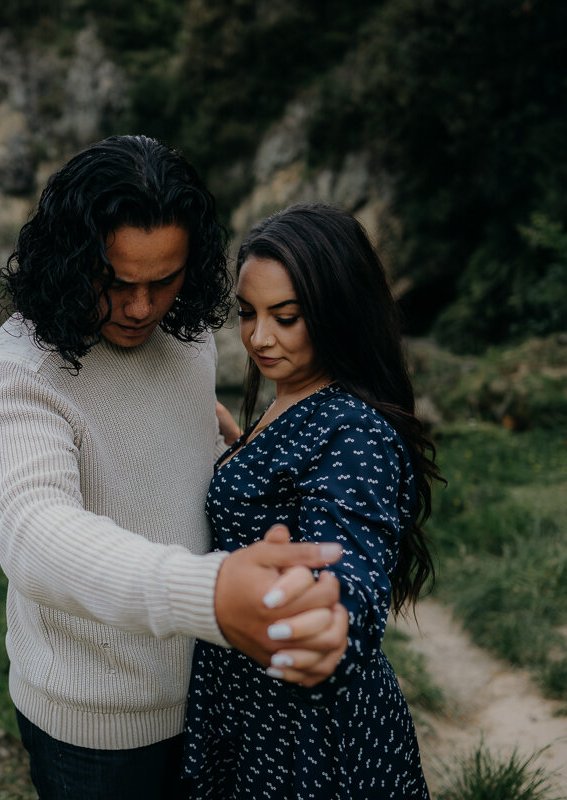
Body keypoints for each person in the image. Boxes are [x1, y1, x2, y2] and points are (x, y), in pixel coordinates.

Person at [0, 136, 351, 799]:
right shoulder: (16, 373)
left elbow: (157, 446)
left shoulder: (187, 334)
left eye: (163, 281)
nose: (141, 308)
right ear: (69, 259)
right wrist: (209, 594)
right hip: (92, 730)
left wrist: (220, 443)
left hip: (212, 691)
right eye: (115, 283)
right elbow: (34, 535)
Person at [183, 203, 441, 798]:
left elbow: (349, 560)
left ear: (337, 313)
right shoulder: (289, 400)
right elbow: (293, 488)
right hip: (249, 706)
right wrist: (240, 450)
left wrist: (328, 621)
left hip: (305, 732)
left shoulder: (355, 429)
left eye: (287, 316)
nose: (259, 337)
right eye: (247, 313)